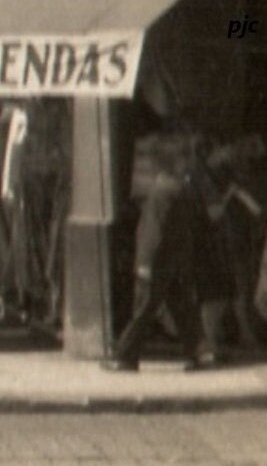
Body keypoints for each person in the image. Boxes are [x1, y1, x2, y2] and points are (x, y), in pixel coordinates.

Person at [104, 135, 209, 372]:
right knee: (182, 309)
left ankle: (125, 355)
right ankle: (200, 352)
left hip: (158, 260)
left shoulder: (161, 192)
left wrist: (145, 262)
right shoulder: (180, 190)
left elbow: (154, 230)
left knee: (144, 308)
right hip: (175, 260)